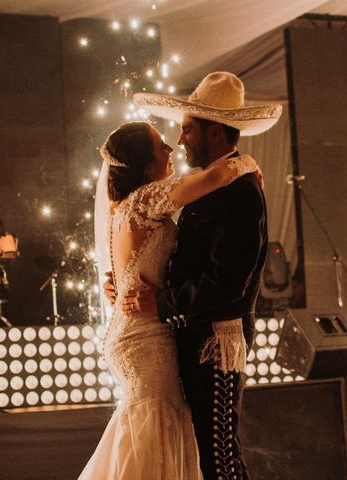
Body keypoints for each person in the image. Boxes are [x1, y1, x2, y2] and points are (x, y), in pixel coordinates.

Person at [122, 72, 282, 480]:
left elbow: (227, 280)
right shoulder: (212, 184)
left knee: (219, 458)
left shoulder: (241, 190)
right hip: (193, 337)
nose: (180, 141)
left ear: (214, 133)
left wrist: (162, 303)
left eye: (188, 130)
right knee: (205, 456)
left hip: (216, 341)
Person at [80, 120, 262, 480]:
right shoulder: (146, 200)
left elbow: (134, 267)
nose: (171, 147)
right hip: (146, 338)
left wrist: (115, 283)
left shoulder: (125, 208)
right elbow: (212, 178)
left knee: (155, 435)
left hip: (135, 333)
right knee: (156, 435)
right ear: (145, 165)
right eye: (160, 145)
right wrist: (247, 163)